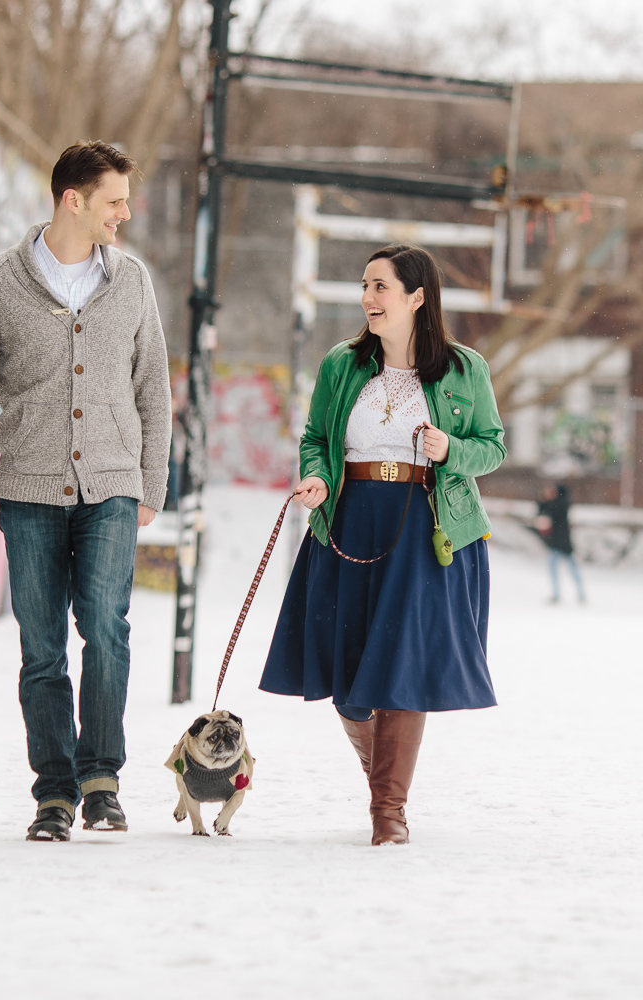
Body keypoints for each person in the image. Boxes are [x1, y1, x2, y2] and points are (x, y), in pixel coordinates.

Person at [0, 141, 171, 842]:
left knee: (105, 628)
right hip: (30, 493)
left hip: (113, 489)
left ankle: (102, 780)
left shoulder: (131, 283)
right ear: (73, 200)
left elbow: (154, 389)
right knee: (41, 647)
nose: (125, 214)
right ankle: (54, 793)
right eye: (114, 201)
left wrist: (149, 481)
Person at [260, 243, 505, 846]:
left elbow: (493, 446)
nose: (368, 297)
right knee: (348, 676)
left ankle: (387, 813)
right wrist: (317, 477)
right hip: (348, 520)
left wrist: (452, 450)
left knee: (402, 668)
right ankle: (384, 782)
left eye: (380, 287)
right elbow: (317, 437)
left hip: (427, 526)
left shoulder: (465, 367)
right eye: (365, 286)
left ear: (417, 297)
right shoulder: (342, 364)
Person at [536, 483, 585, 604]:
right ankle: (564, 594)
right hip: (557, 543)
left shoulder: (562, 503)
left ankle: (580, 594)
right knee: (560, 569)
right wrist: (542, 500)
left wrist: (545, 499)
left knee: (568, 569)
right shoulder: (558, 503)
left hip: (562, 543)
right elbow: (542, 512)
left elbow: (549, 510)